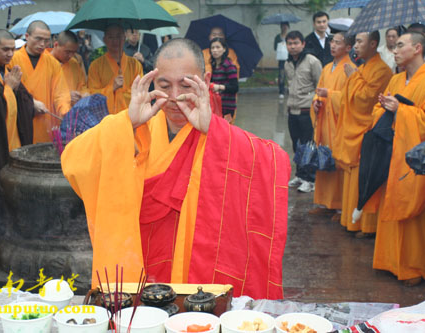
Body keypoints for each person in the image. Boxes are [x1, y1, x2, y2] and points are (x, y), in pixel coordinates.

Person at [61, 38, 290, 299]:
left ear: (205, 78)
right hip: (143, 261)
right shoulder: (137, 128)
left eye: (186, 84)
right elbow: (74, 160)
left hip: (198, 261)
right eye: (164, 85)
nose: (174, 96)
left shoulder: (218, 135)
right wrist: (127, 122)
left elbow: (277, 162)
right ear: (152, 83)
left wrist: (214, 131)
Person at [371, 32, 425, 287]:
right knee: (391, 201)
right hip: (392, 152)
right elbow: (376, 110)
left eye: (400, 45)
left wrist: (401, 111)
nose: (394, 49)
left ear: (417, 48)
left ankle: (414, 266)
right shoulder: (395, 78)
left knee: (413, 208)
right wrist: (384, 107)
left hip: (416, 158)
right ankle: (390, 261)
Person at [332, 31, 393, 237]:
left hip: (367, 129)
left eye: (359, 41)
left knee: (365, 176)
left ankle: (367, 226)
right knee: (353, 177)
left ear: (373, 43)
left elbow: (366, 99)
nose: (355, 46)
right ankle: (350, 219)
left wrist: (353, 77)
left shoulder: (382, 70)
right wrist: (355, 76)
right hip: (354, 128)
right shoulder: (365, 67)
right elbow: (349, 97)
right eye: (355, 41)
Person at [309, 32, 354, 220]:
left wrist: (330, 94)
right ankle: (325, 202)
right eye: (332, 42)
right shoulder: (327, 68)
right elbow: (318, 91)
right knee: (323, 161)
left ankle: (339, 206)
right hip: (324, 123)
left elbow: (351, 98)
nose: (333, 45)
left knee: (336, 163)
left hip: (338, 124)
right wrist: (317, 101)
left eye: (338, 42)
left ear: (348, 48)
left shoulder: (350, 69)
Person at [9, 20, 71, 143]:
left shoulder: (52, 63)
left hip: (46, 122)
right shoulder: (13, 59)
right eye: (38, 39)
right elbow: (7, 91)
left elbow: (61, 92)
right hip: (21, 121)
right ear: (27, 37)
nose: (42, 44)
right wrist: (30, 103)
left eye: (46, 40)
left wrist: (64, 111)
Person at [285, 31, 322, 193]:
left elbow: (320, 84)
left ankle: (310, 179)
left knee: (308, 146)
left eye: (295, 43)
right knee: (296, 145)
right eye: (289, 43)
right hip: (292, 110)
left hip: (307, 110)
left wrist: (316, 103)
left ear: (303, 44)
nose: (292, 47)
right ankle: (300, 174)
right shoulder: (287, 63)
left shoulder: (312, 61)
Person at [0, 29, 34, 151]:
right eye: (5, 49)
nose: (10, 54)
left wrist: (16, 90)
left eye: (13, 49)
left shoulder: (9, 71)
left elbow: (25, 102)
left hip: (14, 136)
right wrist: (9, 88)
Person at [87, 25, 143, 114]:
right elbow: (92, 94)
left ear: (124, 38)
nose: (115, 41)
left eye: (118, 37)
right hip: (105, 117)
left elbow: (140, 92)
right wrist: (112, 88)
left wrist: (122, 93)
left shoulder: (135, 64)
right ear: (104, 39)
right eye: (110, 37)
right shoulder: (96, 66)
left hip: (130, 115)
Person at [50, 31, 88, 106]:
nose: (71, 55)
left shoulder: (74, 63)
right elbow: (40, 92)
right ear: (56, 45)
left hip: (72, 113)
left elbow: (82, 86)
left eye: (74, 52)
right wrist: (66, 95)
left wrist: (83, 94)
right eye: (67, 52)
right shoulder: (44, 62)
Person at [209, 38, 238, 123]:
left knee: (224, 132)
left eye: (218, 47)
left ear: (224, 49)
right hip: (216, 105)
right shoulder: (214, 66)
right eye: (212, 48)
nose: (215, 50)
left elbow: (235, 87)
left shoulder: (229, 66)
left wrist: (219, 87)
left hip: (227, 107)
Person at [274, 22, 289, 99]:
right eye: (283, 26)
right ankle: (281, 91)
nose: (284, 28)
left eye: (286, 26)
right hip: (281, 59)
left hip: (289, 59)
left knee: (290, 74)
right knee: (281, 75)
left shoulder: (290, 36)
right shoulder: (277, 37)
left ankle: (290, 89)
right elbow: (275, 47)